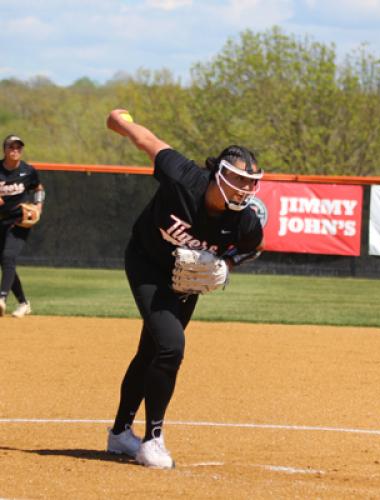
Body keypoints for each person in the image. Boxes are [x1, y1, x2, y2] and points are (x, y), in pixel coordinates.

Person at [105, 109, 264, 469]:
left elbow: (255, 246)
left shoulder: (245, 221)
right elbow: (147, 141)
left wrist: (228, 264)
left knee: (152, 352)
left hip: (184, 280)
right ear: (219, 174)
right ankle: (152, 441)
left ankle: (119, 434)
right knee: (171, 347)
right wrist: (121, 122)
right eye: (239, 180)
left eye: (251, 183)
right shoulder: (183, 177)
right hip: (146, 261)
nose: (246, 189)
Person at [0, 135, 45, 318]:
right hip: (1, 221)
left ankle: (1, 298)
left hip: (20, 221)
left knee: (8, 256)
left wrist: (39, 206)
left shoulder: (28, 171)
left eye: (18, 147)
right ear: (5, 150)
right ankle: (23, 303)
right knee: (5, 262)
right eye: (11, 147)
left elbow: (38, 188)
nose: (15, 150)